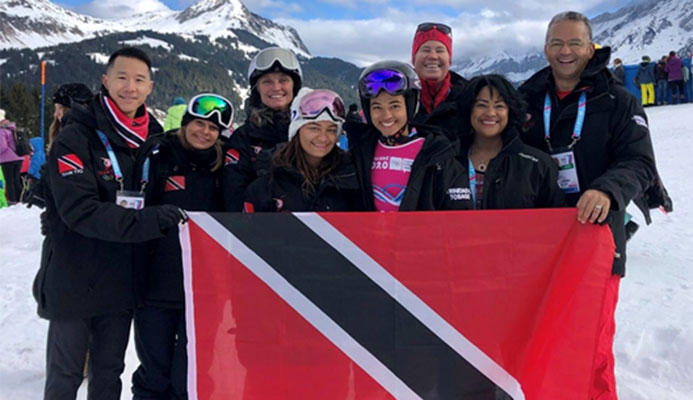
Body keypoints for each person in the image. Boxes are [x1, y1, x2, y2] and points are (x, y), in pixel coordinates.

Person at [518, 11, 659, 399]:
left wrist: (607, 190)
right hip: (536, 242)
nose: (565, 51)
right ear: (546, 48)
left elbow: (640, 162)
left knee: (590, 343)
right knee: (537, 340)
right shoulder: (526, 98)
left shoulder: (618, 100)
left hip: (596, 237)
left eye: (575, 43)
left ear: (590, 46)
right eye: (557, 43)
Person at [34, 47, 187, 400]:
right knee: (65, 377)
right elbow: (80, 211)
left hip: (122, 282)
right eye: (121, 77)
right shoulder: (77, 136)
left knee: (108, 375)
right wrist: (148, 221)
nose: (129, 87)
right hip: (75, 276)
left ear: (150, 87)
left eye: (138, 80)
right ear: (105, 81)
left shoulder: (155, 141)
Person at [132, 93, 230, 399]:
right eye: (199, 124)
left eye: (212, 129)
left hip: (202, 288)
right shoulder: (158, 155)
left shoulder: (223, 165)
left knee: (192, 370)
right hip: (156, 284)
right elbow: (131, 210)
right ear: (186, 123)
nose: (205, 132)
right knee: (154, 371)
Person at [348, 60, 467, 211]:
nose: (386, 115)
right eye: (377, 107)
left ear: (410, 106)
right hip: (371, 234)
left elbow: (459, 213)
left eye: (395, 106)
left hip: (420, 233)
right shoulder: (361, 153)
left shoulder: (437, 153)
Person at [456, 74, 563, 210]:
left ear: (510, 111)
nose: (490, 113)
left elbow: (556, 220)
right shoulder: (448, 162)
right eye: (481, 105)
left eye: (499, 106)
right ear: (469, 110)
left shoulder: (538, 165)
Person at [244, 88, 361, 212]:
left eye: (331, 130)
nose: (323, 138)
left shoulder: (350, 177)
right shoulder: (268, 182)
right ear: (297, 131)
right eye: (314, 128)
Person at [223, 46, 303, 211]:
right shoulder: (243, 137)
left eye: (283, 80)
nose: (276, 87)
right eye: (267, 81)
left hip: (312, 229)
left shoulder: (309, 132)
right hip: (259, 229)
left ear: (294, 86)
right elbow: (233, 198)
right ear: (256, 89)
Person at [410, 22, 468, 145]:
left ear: (449, 60)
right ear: (414, 59)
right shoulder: (398, 95)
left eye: (440, 50)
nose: (433, 56)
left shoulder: (468, 98)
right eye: (426, 50)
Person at [0, 109, 24, 204]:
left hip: (7, 159)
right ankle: (22, 199)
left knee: (9, 181)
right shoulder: (12, 128)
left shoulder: (1, 130)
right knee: (16, 180)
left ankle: (12, 201)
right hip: (19, 157)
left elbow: (2, 146)